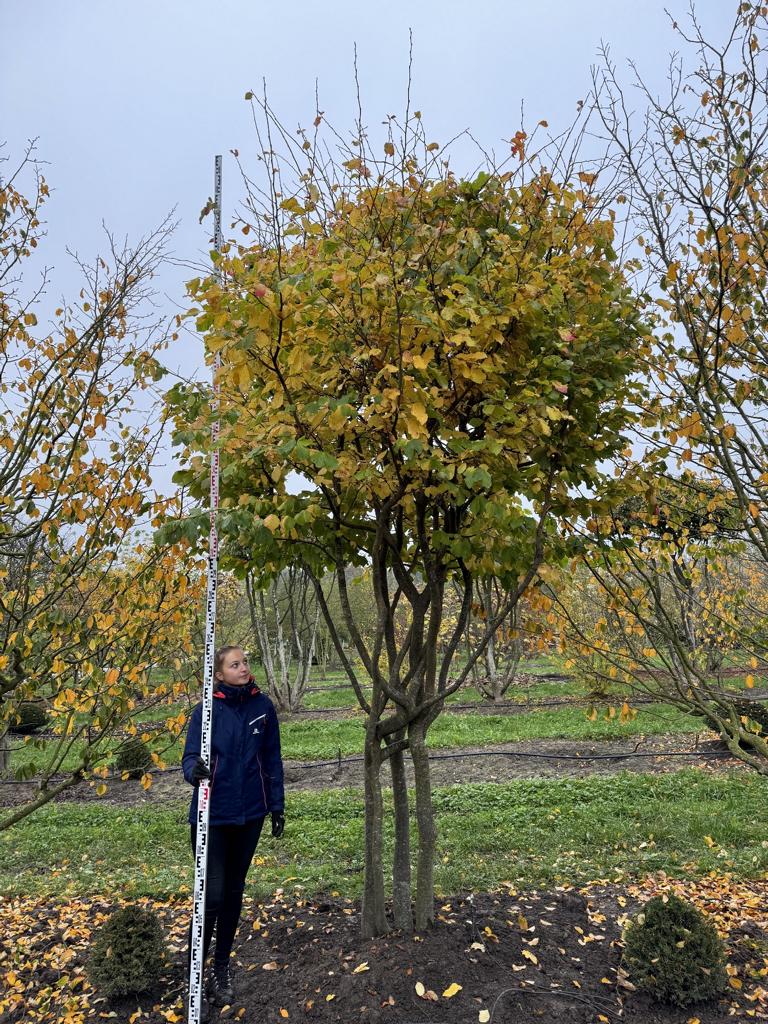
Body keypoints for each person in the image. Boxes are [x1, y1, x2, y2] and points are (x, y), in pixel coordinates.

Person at [182, 645, 285, 1017]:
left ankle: (220, 969)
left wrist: (276, 805)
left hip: (250, 815)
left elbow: (272, 758)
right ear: (220, 674)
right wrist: (193, 771)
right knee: (211, 897)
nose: (244, 668)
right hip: (212, 816)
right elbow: (190, 755)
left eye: (246, 662)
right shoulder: (206, 711)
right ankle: (193, 973)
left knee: (233, 895)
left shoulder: (264, 707)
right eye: (235, 664)